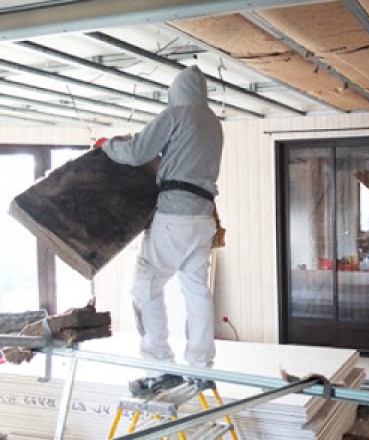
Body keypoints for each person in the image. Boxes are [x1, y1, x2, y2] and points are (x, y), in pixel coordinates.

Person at [95, 65, 223, 395]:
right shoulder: (213, 123)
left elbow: (137, 151)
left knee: (145, 286)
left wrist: (107, 144)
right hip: (203, 218)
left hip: (174, 216)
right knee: (196, 291)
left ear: (176, 92)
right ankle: (200, 368)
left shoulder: (177, 113)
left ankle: (159, 366)